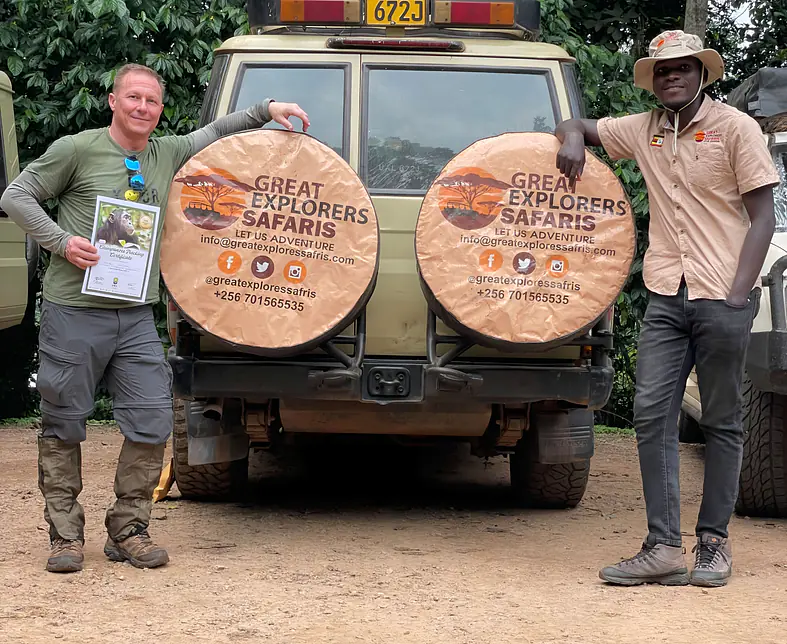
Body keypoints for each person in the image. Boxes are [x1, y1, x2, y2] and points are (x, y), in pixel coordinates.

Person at [0, 63, 309, 573]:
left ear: (159, 110)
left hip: (135, 316)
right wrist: (60, 242)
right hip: (73, 313)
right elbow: (15, 195)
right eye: (134, 98)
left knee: (151, 421)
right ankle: (65, 537)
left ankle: (129, 530)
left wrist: (266, 110)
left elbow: (214, 132)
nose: (143, 108)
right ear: (113, 101)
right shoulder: (77, 149)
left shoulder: (167, 153)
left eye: (153, 101)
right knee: (64, 424)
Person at [555, 31, 779, 587]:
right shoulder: (644, 128)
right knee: (652, 414)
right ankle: (662, 546)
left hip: (721, 297)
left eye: (682, 68)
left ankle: (713, 544)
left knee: (723, 421)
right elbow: (576, 124)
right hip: (665, 295)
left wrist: (738, 293)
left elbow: (764, 217)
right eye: (661, 70)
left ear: (702, 74)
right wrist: (572, 141)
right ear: (653, 80)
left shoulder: (735, 128)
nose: (671, 76)